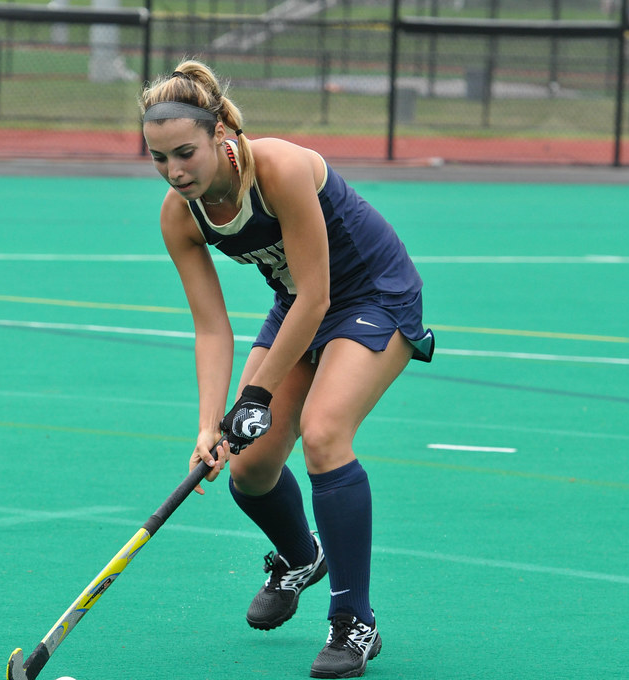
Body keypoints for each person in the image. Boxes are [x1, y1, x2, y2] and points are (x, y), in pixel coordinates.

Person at [139, 59, 434, 679]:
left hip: (371, 295)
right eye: (159, 158)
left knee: (324, 435)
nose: (175, 171)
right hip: (296, 306)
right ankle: (302, 557)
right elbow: (211, 328)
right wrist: (209, 424)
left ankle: (354, 622)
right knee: (248, 466)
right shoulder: (179, 215)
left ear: (221, 134)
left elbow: (319, 295)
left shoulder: (280, 169)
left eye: (185, 153)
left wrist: (255, 395)